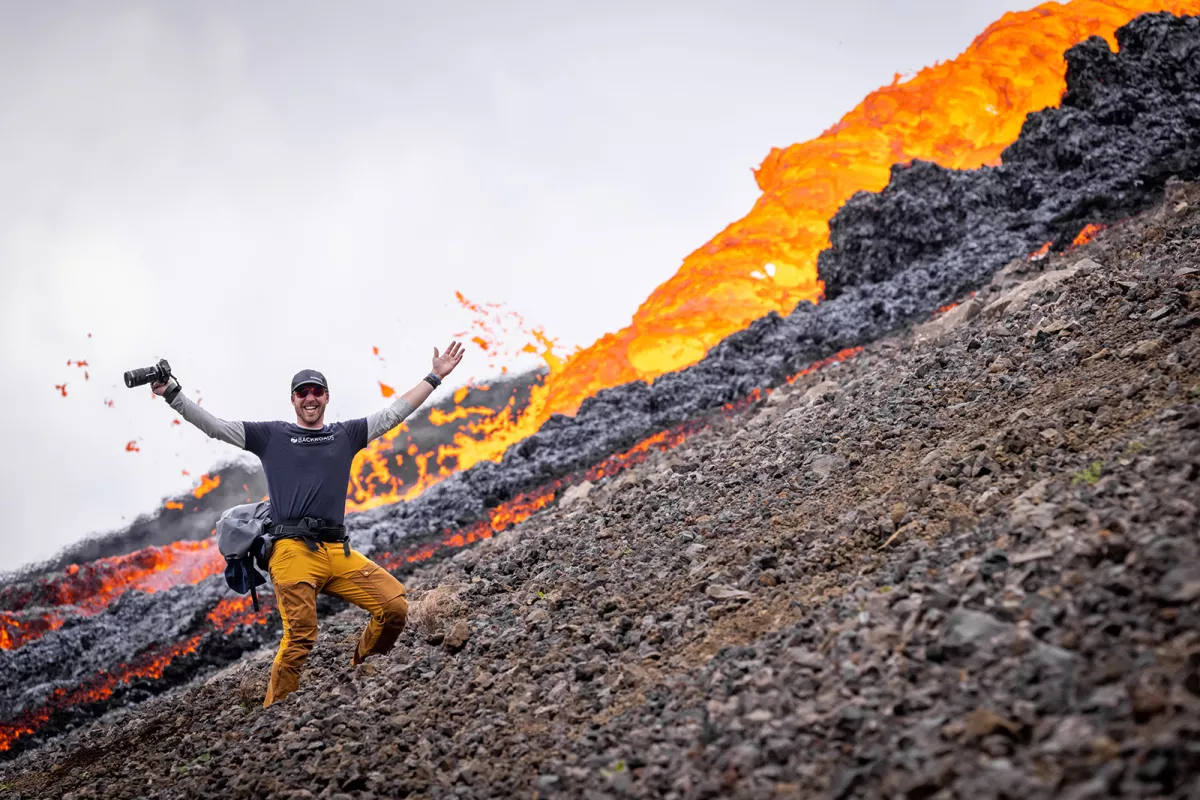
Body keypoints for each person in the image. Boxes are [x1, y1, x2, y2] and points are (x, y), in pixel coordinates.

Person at [152, 341, 464, 706]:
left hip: (336, 550)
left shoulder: (345, 435)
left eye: (316, 392)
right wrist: (173, 394)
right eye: (303, 393)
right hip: (290, 550)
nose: (310, 398)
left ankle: (364, 671)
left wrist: (435, 376)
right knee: (301, 633)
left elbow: (395, 412)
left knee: (394, 607)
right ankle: (275, 713)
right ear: (294, 400)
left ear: (327, 398)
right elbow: (216, 427)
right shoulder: (271, 436)